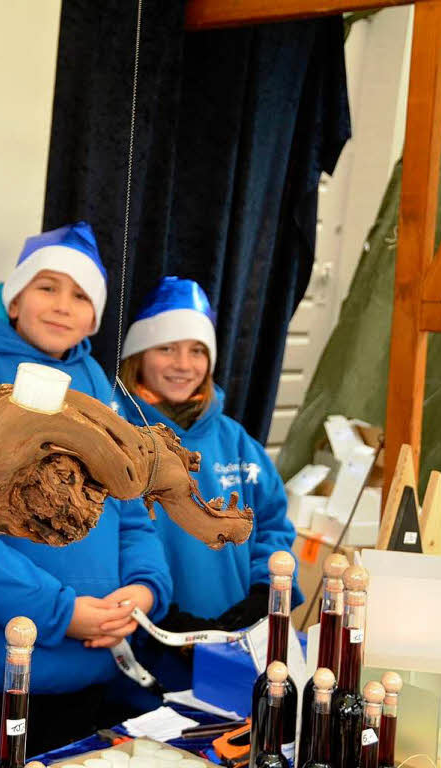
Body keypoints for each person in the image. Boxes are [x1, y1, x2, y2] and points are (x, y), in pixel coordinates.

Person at [0, 222, 173, 762]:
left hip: (95, 672)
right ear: (14, 302)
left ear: (95, 317)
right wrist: (58, 612)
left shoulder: (100, 391)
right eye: (46, 287)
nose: (62, 305)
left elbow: (131, 510)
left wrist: (143, 592)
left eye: (80, 295)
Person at [116, 276, 302, 690]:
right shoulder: (116, 438)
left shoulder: (236, 442)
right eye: (166, 347)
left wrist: (262, 594)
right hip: (140, 649)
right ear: (138, 356)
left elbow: (272, 525)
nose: (184, 365)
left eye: (197, 350)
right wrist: (159, 612)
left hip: (230, 650)